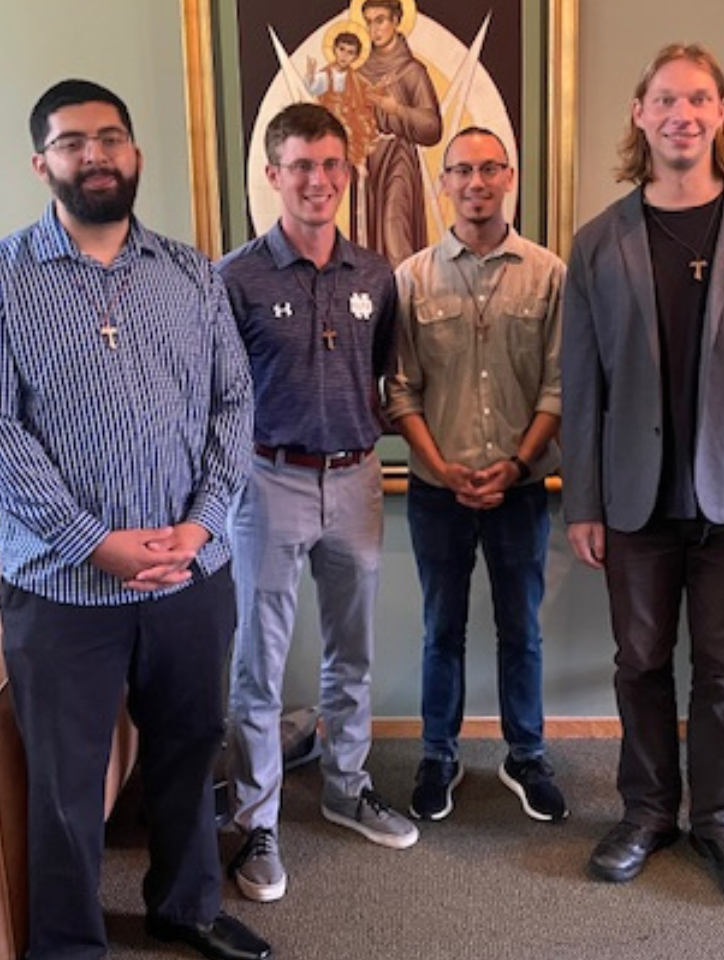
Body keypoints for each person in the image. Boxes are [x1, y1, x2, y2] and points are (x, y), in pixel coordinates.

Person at [0, 80, 270, 960]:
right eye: (72, 142)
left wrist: (198, 528)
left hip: (192, 574)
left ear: (136, 153)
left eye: (110, 136)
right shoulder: (6, 279)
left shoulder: (192, 273)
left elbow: (235, 405)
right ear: (42, 164)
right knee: (66, 780)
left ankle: (185, 907)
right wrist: (97, 544)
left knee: (191, 753)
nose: (96, 154)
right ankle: (68, 943)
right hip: (61, 580)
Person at [561, 43, 724, 908]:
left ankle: (723, 823)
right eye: (665, 99)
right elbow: (580, 385)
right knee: (639, 661)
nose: (682, 114)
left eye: (698, 99)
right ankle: (649, 811)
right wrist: (581, 502)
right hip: (632, 498)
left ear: (721, 114)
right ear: (640, 114)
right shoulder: (598, 243)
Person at [219, 102, 418, 906]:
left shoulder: (376, 275)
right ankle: (257, 818)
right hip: (269, 481)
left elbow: (388, 380)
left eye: (332, 165)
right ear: (273, 175)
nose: (318, 180)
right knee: (259, 664)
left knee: (353, 652)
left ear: (349, 173)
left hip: (358, 479)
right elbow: (220, 399)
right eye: (301, 165)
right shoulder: (235, 277)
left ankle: (345, 788)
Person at [385, 127, 568, 824]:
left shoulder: (550, 274)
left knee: (521, 628)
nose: (476, 182)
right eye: (461, 170)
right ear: (442, 184)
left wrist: (517, 463)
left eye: (489, 168)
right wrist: (440, 467)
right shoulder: (411, 278)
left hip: (521, 490)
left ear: (510, 176)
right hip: (438, 492)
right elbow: (399, 388)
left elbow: (561, 384)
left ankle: (527, 755)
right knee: (442, 629)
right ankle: (439, 754)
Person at [356, 0, 442, 267]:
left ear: (396, 20)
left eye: (380, 20)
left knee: (395, 232)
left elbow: (432, 127)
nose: (374, 29)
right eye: (369, 22)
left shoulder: (412, 71)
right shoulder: (359, 73)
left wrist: (398, 110)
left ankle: (405, 300)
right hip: (368, 160)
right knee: (368, 237)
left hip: (398, 159)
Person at [305, 29, 377, 173]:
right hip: (329, 116)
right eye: (342, 49)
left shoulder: (357, 79)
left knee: (356, 128)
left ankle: (358, 160)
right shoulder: (325, 75)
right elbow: (311, 90)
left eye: (350, 53)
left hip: (350, 116)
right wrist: (310, 76)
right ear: (334, 50)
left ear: (356, 57)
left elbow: (367, 96)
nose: (344, 56)